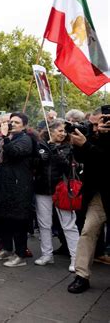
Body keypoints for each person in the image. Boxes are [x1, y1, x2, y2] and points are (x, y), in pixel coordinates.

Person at [67, 106, 110, 293]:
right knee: (87, 231)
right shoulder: (93, 136)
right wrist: (78, 143)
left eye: (99, 122)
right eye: (92, 123)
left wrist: (87, 144)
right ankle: (81, 275)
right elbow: (82, 157)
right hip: (98, 195)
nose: (95, 127)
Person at [0, 112, 35, 267]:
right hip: (3, 185)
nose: (12, 124)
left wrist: (5, 139)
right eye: (11, 122)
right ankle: (7, 249)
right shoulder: (7, 138)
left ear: (24, 125)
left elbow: (15, 153)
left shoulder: (25, 139)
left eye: (16, 122)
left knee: (18, 221)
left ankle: (20, 255)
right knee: (4, 219)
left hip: (19, 186)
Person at [34, 119, 78, 272]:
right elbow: (35, 165)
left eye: (64, 131)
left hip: (62, 190)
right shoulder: (40, 145)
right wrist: (40, 157)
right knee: (44, 224)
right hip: (42, 190)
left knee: (69, 224)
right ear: (50, 130)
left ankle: (76, 258)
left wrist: (55, 150)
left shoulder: (68, 147)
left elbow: (67, 166)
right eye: (60, 130)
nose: (63, 134)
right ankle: (47, 254)